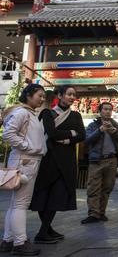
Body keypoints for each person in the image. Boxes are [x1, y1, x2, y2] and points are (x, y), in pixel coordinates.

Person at [30, 85, 86, 243]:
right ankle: (44, 231)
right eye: (68, 94)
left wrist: (65, 138)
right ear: (60, 95)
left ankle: (46, 229)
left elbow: (82, 135)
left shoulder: (76, 115)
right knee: (44, 195)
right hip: (49, 159)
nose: (71, 97)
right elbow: (52, 134)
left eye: (73, 94)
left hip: (67, 161)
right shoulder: (47, 113)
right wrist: (71, 134)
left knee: (57, 195)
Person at [1, 84, 46, 256]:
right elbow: (8, 134)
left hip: (26, 160)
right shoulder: (22, 113)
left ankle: (8, 240)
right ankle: (20, 242)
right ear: (28, 95)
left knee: (15, 203)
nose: (42, 99)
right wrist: (27, 146)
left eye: (43, 97)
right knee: (21, 204)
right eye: (39, 96)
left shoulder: (27, 112)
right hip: (25, 160)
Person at [82, 102, 118, 224]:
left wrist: (114, 131)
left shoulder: (117, 125)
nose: (107, 111)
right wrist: (100, 130)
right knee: (93, 188)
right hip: (96, 160)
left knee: (107, 187)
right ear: (100, 111)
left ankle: (101, 212)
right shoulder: (93, 125)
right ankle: (93, 213)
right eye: (105, 109)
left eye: (110, 109)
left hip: (112, 160)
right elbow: (87, 140)